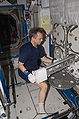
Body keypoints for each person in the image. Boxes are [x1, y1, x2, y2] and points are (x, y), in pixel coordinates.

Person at [18, 27, 53, 114]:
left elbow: (43, 58)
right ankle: (41, 110)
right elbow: (20, 65)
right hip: (25, 71)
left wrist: (53, 61)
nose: (42, 40)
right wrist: (28, 75)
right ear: (33, 38)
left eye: (42, 38)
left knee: (46, 71)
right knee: (44, 86)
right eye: (40, 38)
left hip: (35, 67)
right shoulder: (26, 49)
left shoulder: (39, 47)